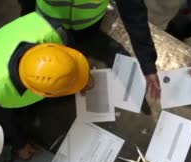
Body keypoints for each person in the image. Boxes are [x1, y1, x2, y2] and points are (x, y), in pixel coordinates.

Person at [0, 12, 92, 160]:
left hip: (9, 40)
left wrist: (82, 75)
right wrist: (19, 144)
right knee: (17, 120)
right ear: (42, 93)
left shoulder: (54, 31)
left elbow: (71, 54)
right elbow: (4, 120)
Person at [18, 0, 162, 99]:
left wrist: (147, 63)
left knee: (74, 59)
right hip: (46, 23)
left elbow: (133, 12)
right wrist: (29, 23)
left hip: (86, 27)